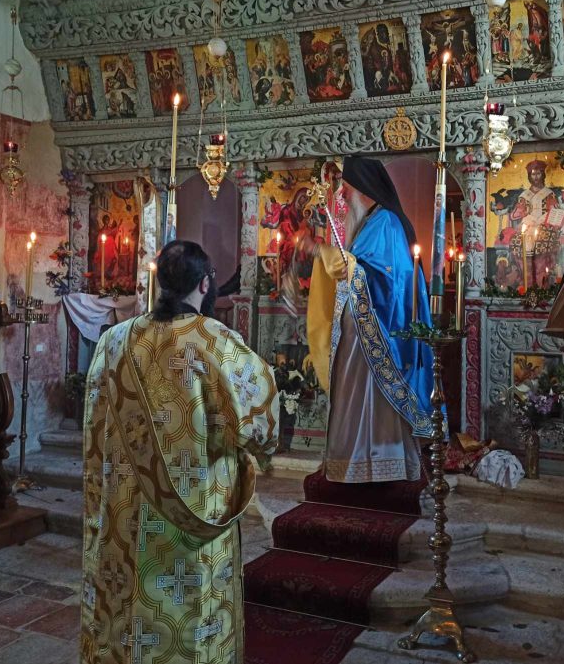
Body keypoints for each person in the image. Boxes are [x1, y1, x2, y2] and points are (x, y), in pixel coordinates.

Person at [80, 240, 278, 664]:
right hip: (197, 500)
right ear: (205, 284)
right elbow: (259, 422)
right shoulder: (216, 341)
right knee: (191, 602)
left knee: (125, 599)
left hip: (125, 504)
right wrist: (259, 450)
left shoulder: (114, 339)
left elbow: (95, 419)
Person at [300, 157, 435, 483]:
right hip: (359, 333)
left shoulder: (385, 221)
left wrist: (320, 251)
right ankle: (353, 465)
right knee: (355, 398)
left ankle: (378, 466)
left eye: (346, 188)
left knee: (371, 399)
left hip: (376, 333)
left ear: (364, 189)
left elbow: (372, 274)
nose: (342, 196)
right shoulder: (371, 222)